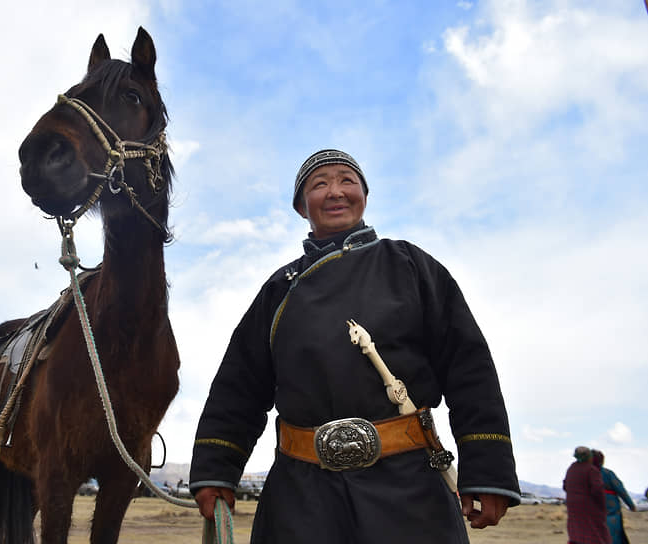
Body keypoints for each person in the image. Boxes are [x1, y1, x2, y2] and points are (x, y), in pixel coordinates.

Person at [189, 149, 520, 543]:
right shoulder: (279, 292)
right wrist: (216, 469)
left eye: (347, 180)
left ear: (365, 194)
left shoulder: (411, 266)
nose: (335, 192)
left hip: (409, 489)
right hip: (301, 496)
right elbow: (238, 388)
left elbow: (470, 369)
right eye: (319, 184)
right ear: (301, 207)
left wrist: (487, 469)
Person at [564, 446, 611, 544]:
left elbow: (565, 486)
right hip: (589, 510)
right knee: (596, 535)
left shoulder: (571, 468)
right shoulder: (591, 470)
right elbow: (598, 491)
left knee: (576, 534)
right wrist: (602, 509)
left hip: (573, 509)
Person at [592, 449, 637, 544]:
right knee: (613, 535)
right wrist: (631, 505)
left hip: (592, 509)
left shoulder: (585, 475)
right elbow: (621, 490)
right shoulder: (608, 473)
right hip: (611, 509)